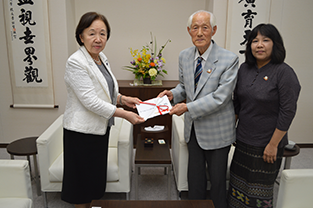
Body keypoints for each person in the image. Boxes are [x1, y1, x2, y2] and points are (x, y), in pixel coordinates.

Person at [61, 12, 145, 208]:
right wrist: (124, 114)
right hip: (81, 133)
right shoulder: (76, 62)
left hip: (100, 129)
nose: (98, 39)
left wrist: (124, 99)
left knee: (93, 180)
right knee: (80, 186)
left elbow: (105, 92)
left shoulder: (101, 58)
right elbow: (90, 101)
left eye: (103, 33)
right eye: (91, 33)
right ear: (81, 36)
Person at [158, 10, 239, 208]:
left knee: (218, 182)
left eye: (205, 27)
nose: (200, 32)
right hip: (193, 128)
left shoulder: (229, 59)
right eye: (195, 28)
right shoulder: (185, 56)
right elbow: (185, 87)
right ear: (189, 31)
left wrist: (187, 107)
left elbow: (221, 97)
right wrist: (172, 94)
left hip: (217, 130)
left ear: (214, 30)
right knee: (195, 179)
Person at [227, 23, 301, 208]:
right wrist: (231, 133)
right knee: (238, 187)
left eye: (265, 40)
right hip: (243, 140)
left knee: (259, 194)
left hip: (268, 144)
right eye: (255, 40)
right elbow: (237, 103)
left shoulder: (284, 72)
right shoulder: (244, 69)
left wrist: (273, 144)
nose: (259, 45)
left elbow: (288, 111)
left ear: (275, 44)